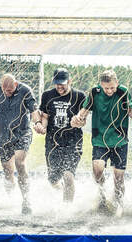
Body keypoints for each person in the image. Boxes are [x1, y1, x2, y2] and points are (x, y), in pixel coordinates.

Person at [71, 70, 132, 215]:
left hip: (120, 140)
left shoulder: (123, 92)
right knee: (97, 170)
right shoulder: (95, 92)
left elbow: (131, 110)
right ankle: (102, 194)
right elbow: (84, 111)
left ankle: (119, 205)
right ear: (101, 85)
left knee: (119, 179)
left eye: (112, 87)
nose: (110, 91)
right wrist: (78, 117)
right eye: (107, 88)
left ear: (117, 84)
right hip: (100, 139)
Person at [0, 74, 43, 214]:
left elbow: (34, 110)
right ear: (1, 87)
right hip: (4, 137)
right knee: (8, 171)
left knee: (20, 163)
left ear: (16, 85)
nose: (8, 93)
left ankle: (26, 200)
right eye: (5, 90)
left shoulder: (25, 90)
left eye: (11, 91)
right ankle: (10, 199)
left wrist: (37, 123)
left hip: (22, 133)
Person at [36, 68, 86, 202]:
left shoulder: (79, 96)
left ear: (70, 81)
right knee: (53, 180)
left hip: (73, 141)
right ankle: (64, 194)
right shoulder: (47, 95)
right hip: (53, 142)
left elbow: (84, 121)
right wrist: (42, 126)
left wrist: (78, 122)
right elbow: (45, 116)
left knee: (68, 176)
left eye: (62, 83)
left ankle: (67, 209)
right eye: (57, 83)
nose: (59, 86)